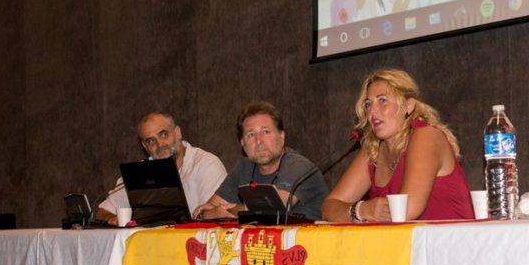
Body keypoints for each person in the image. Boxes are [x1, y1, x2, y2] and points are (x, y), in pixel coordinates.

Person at [321, 69, 472, 222]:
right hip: (406, 244)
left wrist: (360, 213)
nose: (372, 111)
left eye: (382, 100)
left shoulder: (426, 135)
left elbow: (405, 211)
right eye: (368, 104)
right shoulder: (372, 150)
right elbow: (328, 208)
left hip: (452, 243)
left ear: (408, 105)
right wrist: (362, 210)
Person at [194, 102, 328, 221]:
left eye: (266, 132)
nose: (259, 141)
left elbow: (271, 211)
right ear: (243, 144)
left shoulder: (299, 167)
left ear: (282, 137)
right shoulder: (244, 167)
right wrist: (206, 214)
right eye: (251, 135)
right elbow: (207, 208)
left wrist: (229, 209)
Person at [95, 111, 227, 225]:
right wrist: (110, 218)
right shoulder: (141, 173)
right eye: (151, 141)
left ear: (177, 133)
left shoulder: (206, 164)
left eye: (163, 134)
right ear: (145, 147)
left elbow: (216, 217)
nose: (159, 144)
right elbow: (102, 211)